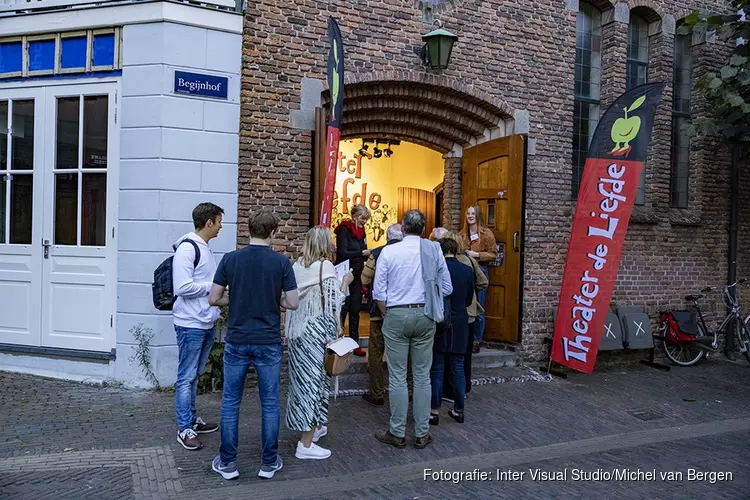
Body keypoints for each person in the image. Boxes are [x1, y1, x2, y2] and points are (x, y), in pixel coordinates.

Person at [208, 210, 300, 481]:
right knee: (270, 403)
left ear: (249, 230)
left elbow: (214, 298)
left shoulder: (231, 259)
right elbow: (293, 303)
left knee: (230, 402)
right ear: (273, 233)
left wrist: (233, 301)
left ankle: (228, 463)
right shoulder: (281, 263)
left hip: (237, 339)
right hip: (268, 340)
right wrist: (275, 301)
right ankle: (268, 463)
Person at [372, 210, 452, 450]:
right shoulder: (433, 250)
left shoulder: (389, 251)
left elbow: (378, 292)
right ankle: (421, 432)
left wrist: (388, 313)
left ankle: (397, 432)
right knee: (421, 376)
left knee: (397, 376)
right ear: (423, 228)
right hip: (425, 314)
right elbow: (446, 287)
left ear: (403, 229)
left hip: (396, 313)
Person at [285, 226, 354, 460]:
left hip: (297, 335)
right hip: (316, 336)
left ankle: (314, 428)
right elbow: (336, 302)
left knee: (301, 385)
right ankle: (305, 445)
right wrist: (345, 282)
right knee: (314, 386)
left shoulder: (296, 266)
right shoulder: (326, 268)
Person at [172, 202, 224, 451]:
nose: (221, 226)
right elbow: (181, 287)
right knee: (186, 377)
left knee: (193, 374)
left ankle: (192, 420)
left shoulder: (204, 247)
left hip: (204, 321)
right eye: (219, 221)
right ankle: (184, 429)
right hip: (190, 323)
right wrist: (212, 288)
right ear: (209, 222)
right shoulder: (187, 248)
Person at [429, 237, 474, 425]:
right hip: (461, 322)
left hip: (442, 321)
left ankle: (434, 411)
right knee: (458, 367)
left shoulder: (438, 270)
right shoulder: (467, 270)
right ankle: (459, 409)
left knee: (437, 367)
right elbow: (469, 299)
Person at [360, 223, 405, 406]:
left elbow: (365, 278)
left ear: (387, 236)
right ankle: (406, 392)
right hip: (402, 310)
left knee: (376, 353)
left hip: (379, 312)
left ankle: (377, 393)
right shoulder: (410, 253)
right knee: (403, 355)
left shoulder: (377, 253)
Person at [442, 231, 488, 400]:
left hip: (451, 313)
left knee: (448, 353)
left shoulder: (444, 264)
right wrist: (472, 293)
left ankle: (449, 390)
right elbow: (483, 282)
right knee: (464, 354)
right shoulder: (469, 261)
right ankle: (464, 387)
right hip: (468, 313)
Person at [334, 204, 371, 357]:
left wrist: (367, 254)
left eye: (366, 220)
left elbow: (362, 251)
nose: (364, 222)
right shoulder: (343, 229)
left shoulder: (362, 232)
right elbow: (343, 252)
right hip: (344, 274)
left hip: (357, 274)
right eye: (363, 219)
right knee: (343, 309)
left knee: (355, 309)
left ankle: (355, 343)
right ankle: (338, 342)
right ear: (355, 217)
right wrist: (361, 252)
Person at [460, 205, 497, 353]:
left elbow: (493, 254)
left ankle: (476, 340)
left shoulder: (486, 234)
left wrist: (477, 255)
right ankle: (465, 338)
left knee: (479, 307)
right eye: (468, 213)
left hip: (480, 271)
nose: (470, 216)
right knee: (465, 306)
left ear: (478, 215)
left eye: (472, 213)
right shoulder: (462, 234)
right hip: (465, 271)